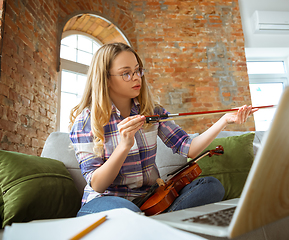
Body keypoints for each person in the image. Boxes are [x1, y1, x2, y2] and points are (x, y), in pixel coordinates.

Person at [69, 42, 257, 217]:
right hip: (105, 201)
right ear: (106, 79)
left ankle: (150, 223)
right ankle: (154, 222)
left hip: (149, 198)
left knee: (211, 186)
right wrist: (124, 145)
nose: (136, 78)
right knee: (127, 211)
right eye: (126, 73)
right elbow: (98, 185)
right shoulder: (86, 121)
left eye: (137, 70)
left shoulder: (152, 111)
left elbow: (188, 147)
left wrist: (224, 120)